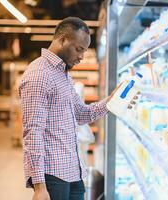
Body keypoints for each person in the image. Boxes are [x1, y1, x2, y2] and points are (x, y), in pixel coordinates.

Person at [19, 17, 119, 200]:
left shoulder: (62, 74)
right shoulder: (39, 75)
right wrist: (39, 187)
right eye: (79, 49)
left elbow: (81, 113)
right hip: (53, 177)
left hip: (73, 171)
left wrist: (112, 101)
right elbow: (32, 132)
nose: (81, 56)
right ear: (62, 40)